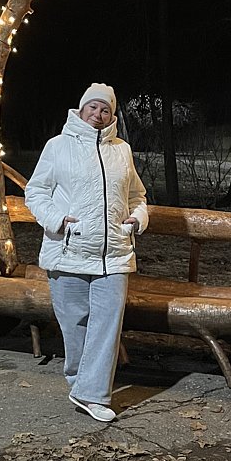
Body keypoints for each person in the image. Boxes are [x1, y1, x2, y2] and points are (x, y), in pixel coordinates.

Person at [24, 83, 148, 423]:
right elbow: (35, 192)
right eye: (93, 107)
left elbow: (137, 195)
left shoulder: (122, 150)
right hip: (68, 250)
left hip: (114, 253)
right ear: (81, 110)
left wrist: (137, 218)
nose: (98, 114)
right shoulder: (57, 146)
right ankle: (80, 384)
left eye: (105, 109)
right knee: (74, 323)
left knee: (107, 324)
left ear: (112, 115)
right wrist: (56, 220)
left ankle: (92, 394)